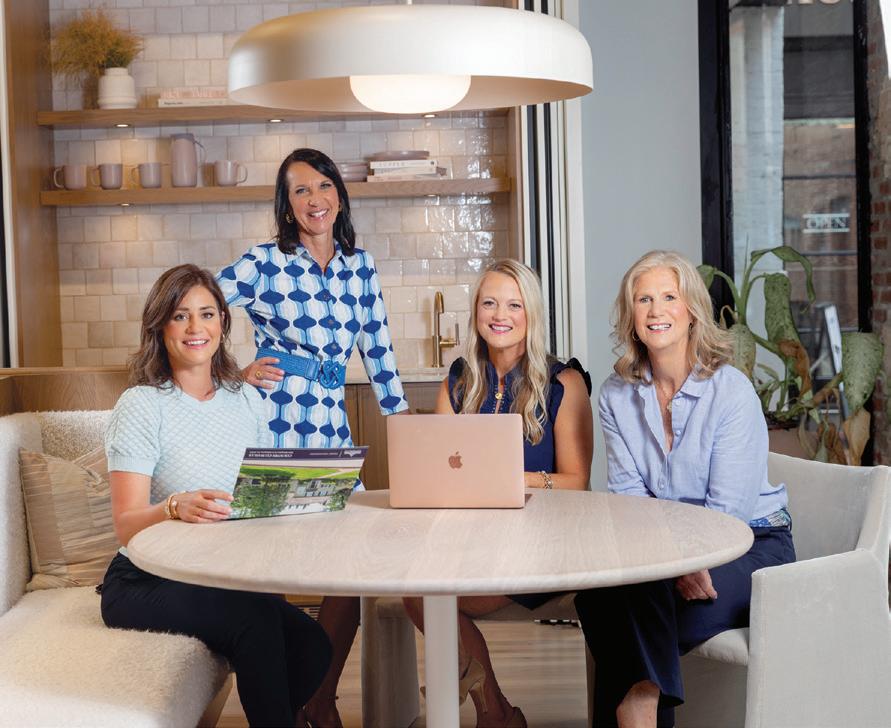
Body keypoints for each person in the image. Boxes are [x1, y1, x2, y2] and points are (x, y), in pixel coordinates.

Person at [216, 148, 409, 727]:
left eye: (323, 185)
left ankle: (319, 699)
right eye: (299, 190)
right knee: (273, 567)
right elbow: (196, 306)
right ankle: (282, 706)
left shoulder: (360, 266)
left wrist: (405, 425)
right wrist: (233, 371)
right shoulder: (265, 262)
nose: (314, 199)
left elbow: (378, 350)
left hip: (331, 423)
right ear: (286, 206)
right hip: (275, 419)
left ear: (339, 197)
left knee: (349, 567)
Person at [99, 264, 332, 728]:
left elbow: (257, 497)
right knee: (255, 624)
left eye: (206, 314)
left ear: (223, 322)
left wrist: (297, 497)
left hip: (218, 573)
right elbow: (125, 524)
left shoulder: (245, 399)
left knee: (314, 645)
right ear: (160, 325)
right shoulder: (142, 405)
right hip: (145, 579)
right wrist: (173, 506)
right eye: (180, 316)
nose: (195, 328)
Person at [574, 250, 796, 728]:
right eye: (644, 300)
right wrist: (673, 564)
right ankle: (641, 707)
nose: (656, 311)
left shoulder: (731, 391)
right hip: (667, 552)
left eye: (669, 297)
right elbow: (630, 500)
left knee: (627, 613)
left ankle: (639, 706)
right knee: (598, 595)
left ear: (692, 309)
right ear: (631, 316)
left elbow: (728, 514)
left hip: (750, 544)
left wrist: (684, 565)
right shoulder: (616, 395)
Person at [403, 259, 594, 728]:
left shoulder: (564, 383)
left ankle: (492, 710)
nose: (500, 315)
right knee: (415, 590)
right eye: (489, 303)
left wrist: (511, 478)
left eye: (514, 305)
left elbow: (577, 481)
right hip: (473, 542)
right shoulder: (459, 379)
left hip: (543, 546)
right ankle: (496, 711)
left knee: (432, 597)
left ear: (532, 314)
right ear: (476, 312)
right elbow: (439, 470)